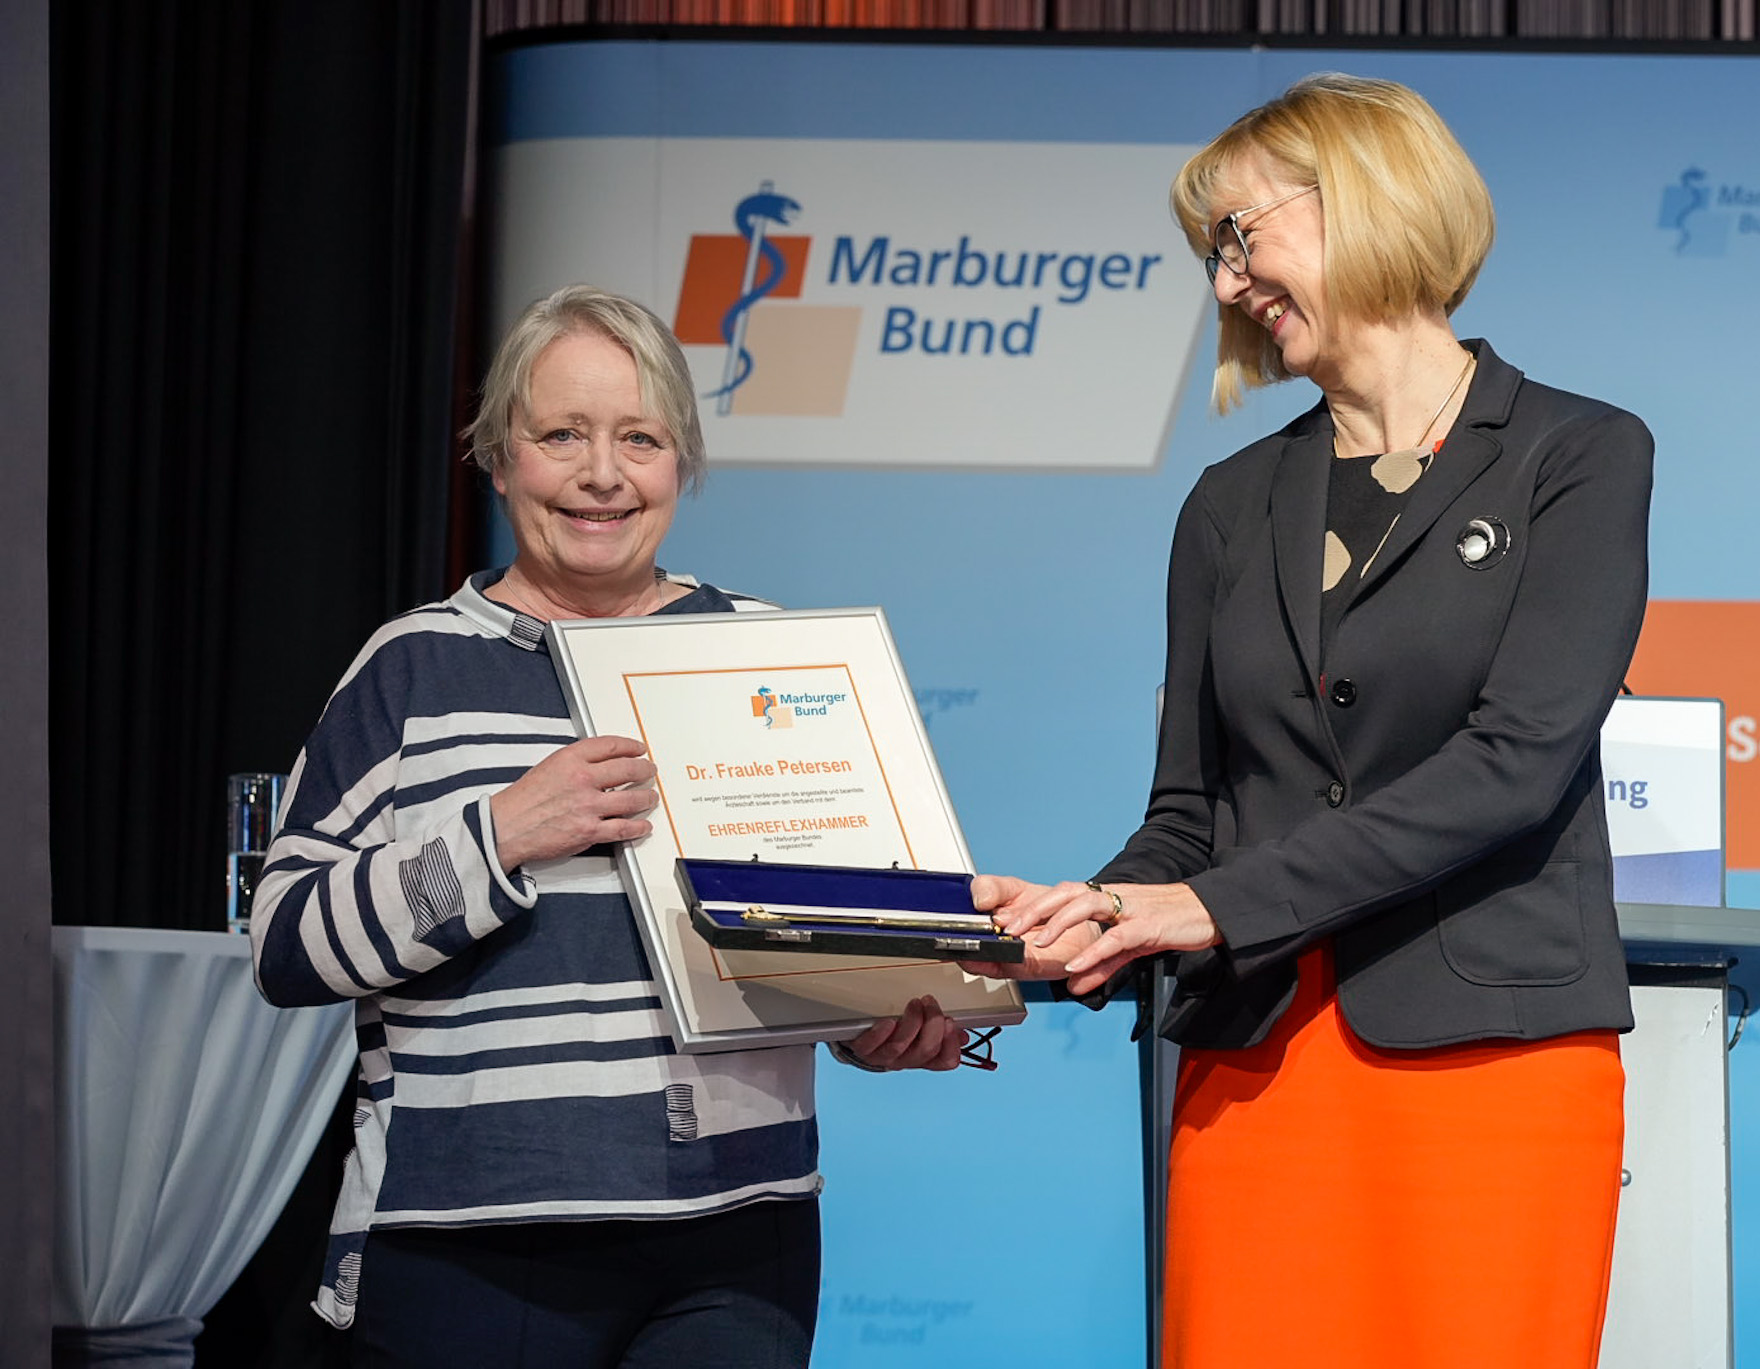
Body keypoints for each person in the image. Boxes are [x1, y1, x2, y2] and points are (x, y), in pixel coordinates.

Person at [971, 75, 1652, 1368]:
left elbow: (1514, 766)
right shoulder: (1227, 509)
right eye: (1211, 257)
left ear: (1365, 197)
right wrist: (1078, 923)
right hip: (1258, 1065)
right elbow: (1190, 814)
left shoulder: (1580, 456)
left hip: (1493, 1075)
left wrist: (1212, 907)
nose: (1225, 286)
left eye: (1239, 238)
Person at [251, 284, 968, 1369]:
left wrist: (872, 1018)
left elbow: (833, 941)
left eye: (639, 437)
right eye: (561, 436)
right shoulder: (410, 665)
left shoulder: (765, 655)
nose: (602, 474)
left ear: (679, 462)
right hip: (467, 1237)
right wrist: (497, 836)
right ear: (501, 459)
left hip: (736, 1241)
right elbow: (283, 942)